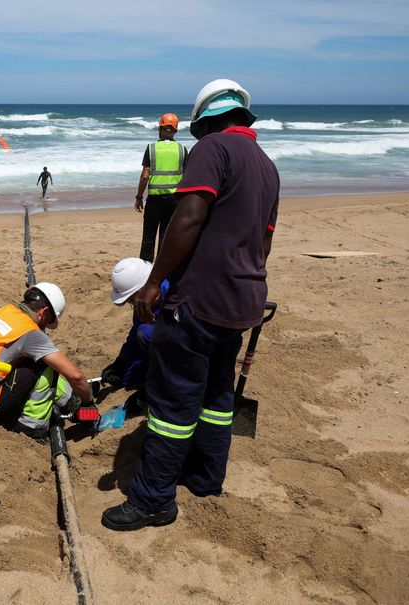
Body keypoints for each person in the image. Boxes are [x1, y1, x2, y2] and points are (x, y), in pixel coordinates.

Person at [102, 79, 279, 531]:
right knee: (217, 393)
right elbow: (263, 242)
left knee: (172, 402)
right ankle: (204, 476)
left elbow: (190, 216)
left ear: (208, 121)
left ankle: (153, 500)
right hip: (243, 299)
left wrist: (155, 280)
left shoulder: (213, 150)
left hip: (198, 299)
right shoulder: (267, 165)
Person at [0, 283, 94, 441]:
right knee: (45, 364)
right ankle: (32, 428)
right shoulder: (30, 332)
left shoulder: (2, 312)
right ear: (44, 312)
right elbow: (75, 376)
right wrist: (88, 403)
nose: (45, 327)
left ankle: (69, 400)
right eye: (48, 321)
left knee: (29, 357)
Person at [101, 258, 169, 409]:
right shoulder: (143, 302)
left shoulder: (171, 295)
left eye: (131, 298)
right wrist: (120, 362)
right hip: (155, 346)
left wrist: (149, 391)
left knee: (145, 333)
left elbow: (180, 341)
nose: (132, 303)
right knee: (126, 378)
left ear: (143, 288)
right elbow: (135, 332)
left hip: (177, 351)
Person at [134, 113, 188, 262]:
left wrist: (139, 197)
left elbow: (145, 176)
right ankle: (162, 270)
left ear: (160, 129)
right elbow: (187, 176)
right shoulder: (182, 149)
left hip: (154, 200)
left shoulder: (151, 148)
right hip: (174, 200)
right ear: (175, 131)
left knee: (149, 236)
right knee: (166, 235)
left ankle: (145, 267)